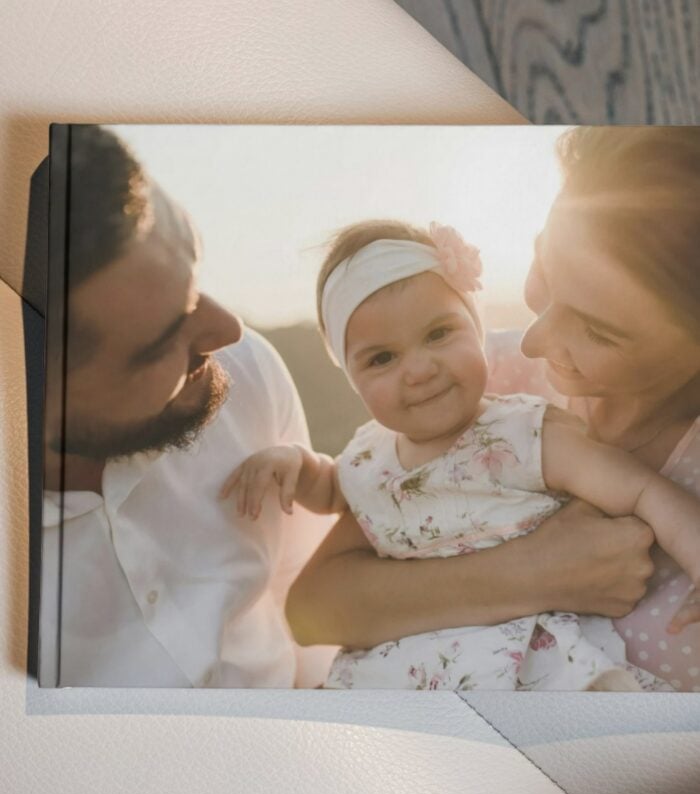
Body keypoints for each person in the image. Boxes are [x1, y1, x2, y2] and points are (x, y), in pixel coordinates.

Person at [285, 126, 700, 692]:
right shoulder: (469, 384)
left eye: (598, 331)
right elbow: (313, 609)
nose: (532, 341)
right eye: (543, 271)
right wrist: (530, 574)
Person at [41, 125, 335, 687]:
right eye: (161, 342)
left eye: (196, 278)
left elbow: (311, 593)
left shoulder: (245, 371)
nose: (229, 330)